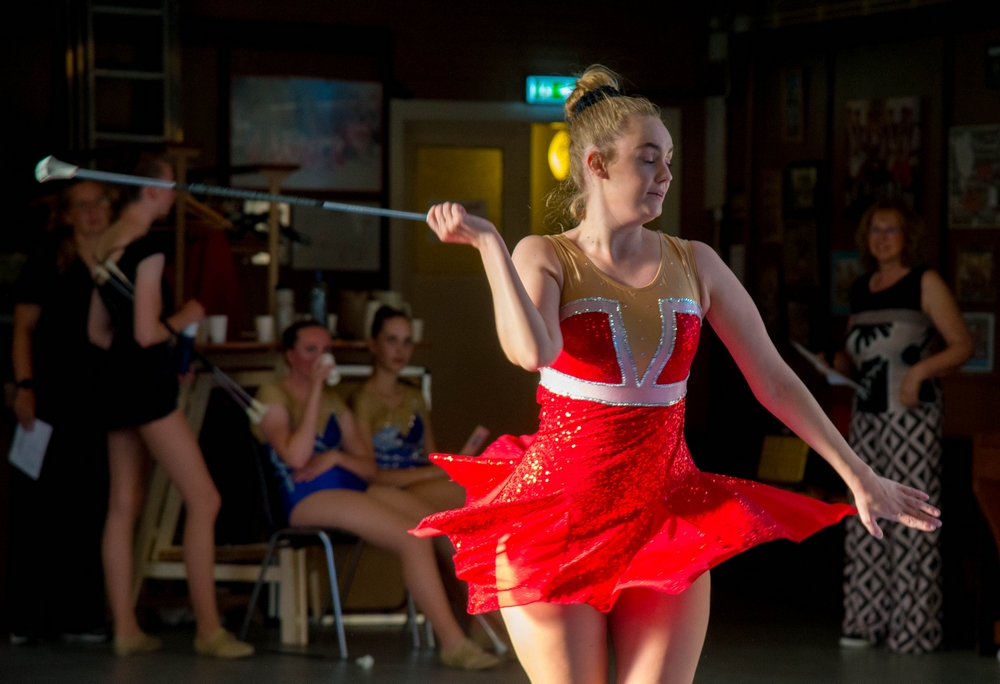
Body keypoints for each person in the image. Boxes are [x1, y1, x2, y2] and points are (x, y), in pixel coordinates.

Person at [411, 66, 941, 684]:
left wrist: (858, 474)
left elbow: (774, 381)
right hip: (558, 516)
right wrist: (490, 248)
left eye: (669, 159)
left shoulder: (697, 262)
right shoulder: (545, 254)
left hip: (666, 516)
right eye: (648, 159)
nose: (665, 174)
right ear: (596, 164)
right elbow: (532, 350)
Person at [252, 321, 501, 670]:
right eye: (311, 350)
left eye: (326, 350)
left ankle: (485, 623)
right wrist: (315, 392)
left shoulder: (335, 403)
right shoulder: (273, 395)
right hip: (305, 495)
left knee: (439, 525)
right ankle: (452, 642)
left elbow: (367, 466)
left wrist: (337, 457)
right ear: (291, 356)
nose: (321, 358)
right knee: (412, 539)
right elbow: (295, 456)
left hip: (347, 484)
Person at [88, 155, 253, 658]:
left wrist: (149, 349)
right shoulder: (149, 248)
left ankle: (125, 628)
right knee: (204, 499)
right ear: (153, 190)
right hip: (145, 386)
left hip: (116, 383)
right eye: (171, 186)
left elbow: (97, 332)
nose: (176, 196)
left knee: (123, 504)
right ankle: (209, 629)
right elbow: (144, 332)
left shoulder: (104, 243)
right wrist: (186, 315)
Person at [833, 199, 971, 653]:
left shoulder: (924, 282)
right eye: (875, 229)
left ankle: (913, 631)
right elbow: (855, 353)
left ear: (907, 235)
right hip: (866, 417)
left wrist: (919, 373)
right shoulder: (861, 287)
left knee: (912, 515)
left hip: (911, 418)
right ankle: (864, 622)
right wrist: (836, 364)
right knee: (864, 511)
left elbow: (962, 345)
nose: (882, 238)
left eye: (891, 229)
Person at [8, 180, 112, 644]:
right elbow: (23, 328)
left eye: (100, 203)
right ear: (67, 215)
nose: (93, 213)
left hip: (98, 399)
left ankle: (81, 614)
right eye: (82, 206)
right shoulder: (48, 260)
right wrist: (24, 385)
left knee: (88, 502)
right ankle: (28, 615)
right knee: (39, 504)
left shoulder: (118, 261)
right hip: (49, 394)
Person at [353, 306, 465, 513]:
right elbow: (369, 473)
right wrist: (433, 473)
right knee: (466, 495)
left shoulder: (415, 397)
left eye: (407, 342)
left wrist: (451, 464)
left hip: (423, 485)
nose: (400, 350)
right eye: (392, 340)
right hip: (386, 491)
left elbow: (431, 456)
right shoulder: (362, 401)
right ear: (373, 344)